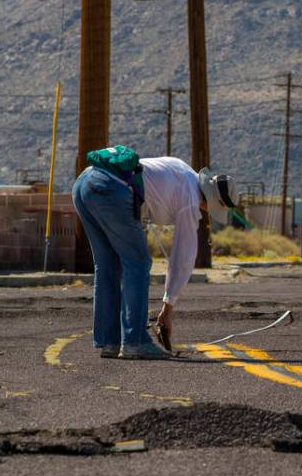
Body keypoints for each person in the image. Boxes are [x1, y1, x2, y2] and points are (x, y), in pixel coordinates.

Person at [72, 146, 236, 359]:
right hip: (112, 189)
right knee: (138, 263)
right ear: (212, 201)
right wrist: (167, 309)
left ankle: (109, 341)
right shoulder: (191, 200)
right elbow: (183, 259)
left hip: (84, 182)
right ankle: (135, 341)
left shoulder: (182, 169)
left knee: (108, 265)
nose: (207, 211)